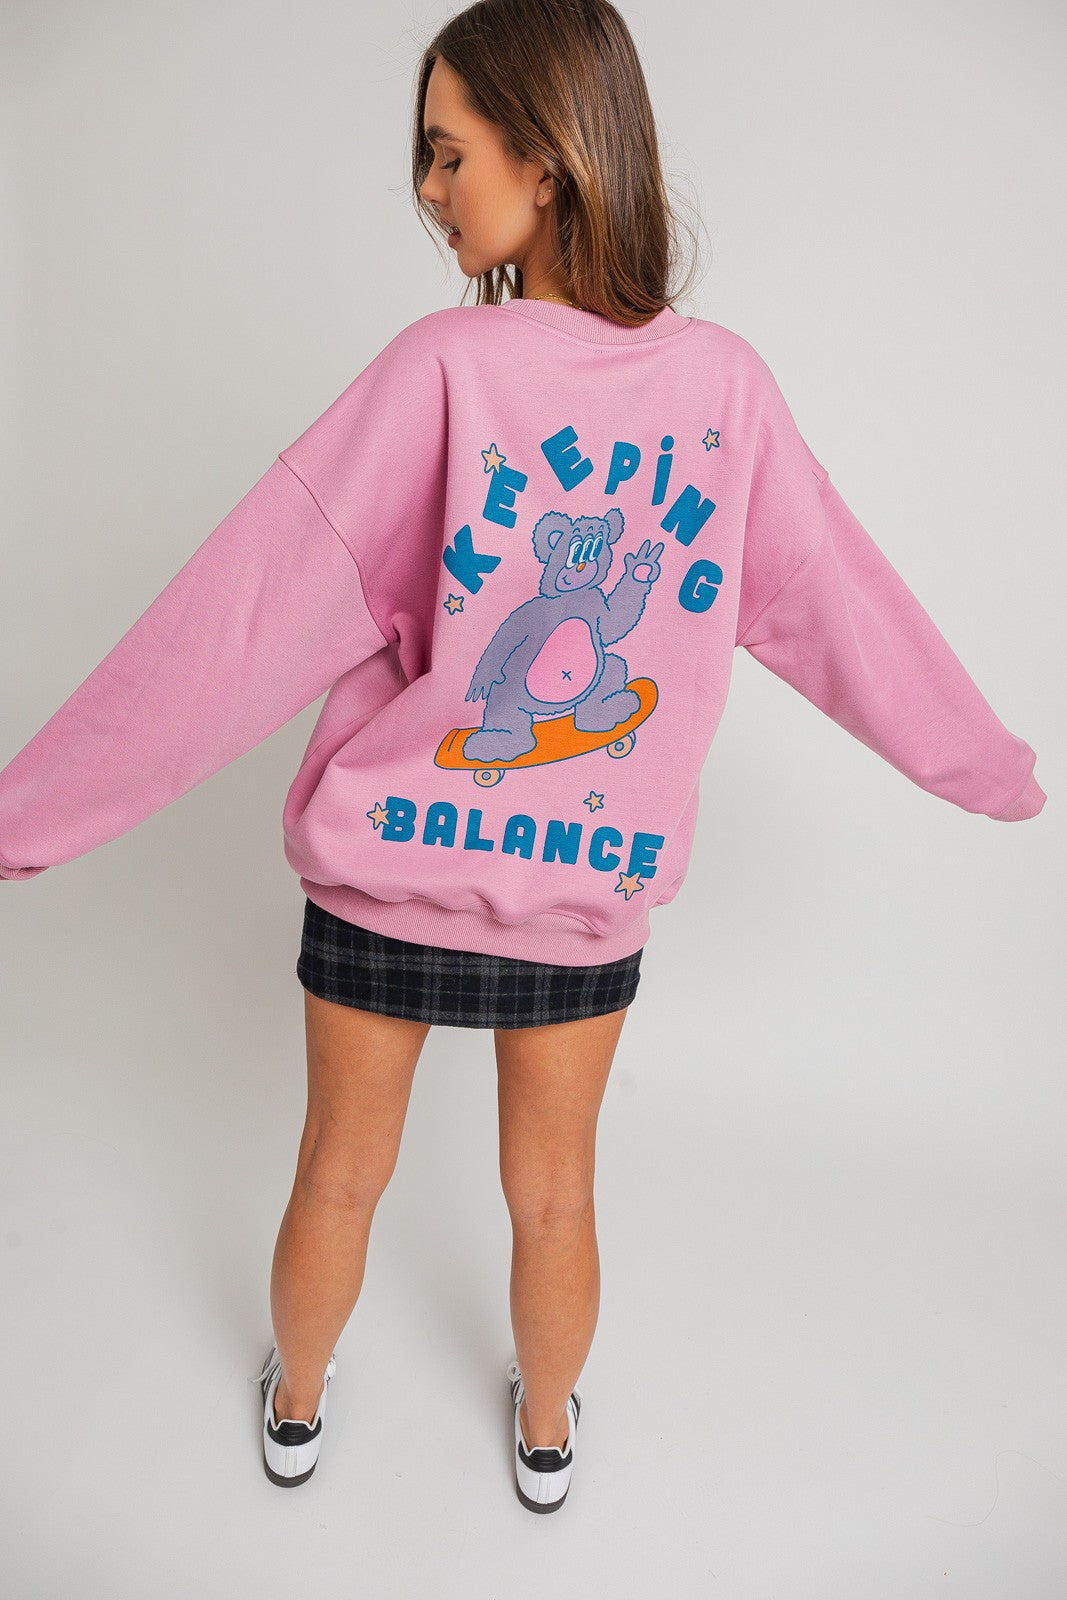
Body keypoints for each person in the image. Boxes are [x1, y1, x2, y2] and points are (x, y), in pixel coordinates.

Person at [0, 0, 1045, 1515]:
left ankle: (296, 1405)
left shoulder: (439, 369)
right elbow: (847, 614)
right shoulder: (727, 393)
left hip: (385, 878)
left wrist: (27, 815)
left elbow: (238, 617)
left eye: (448, 153)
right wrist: (991, 768)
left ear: (546, 162)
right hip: (581, 890)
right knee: (554, 1198)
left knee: (337, 1175)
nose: (428, 190)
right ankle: (546, 1434)